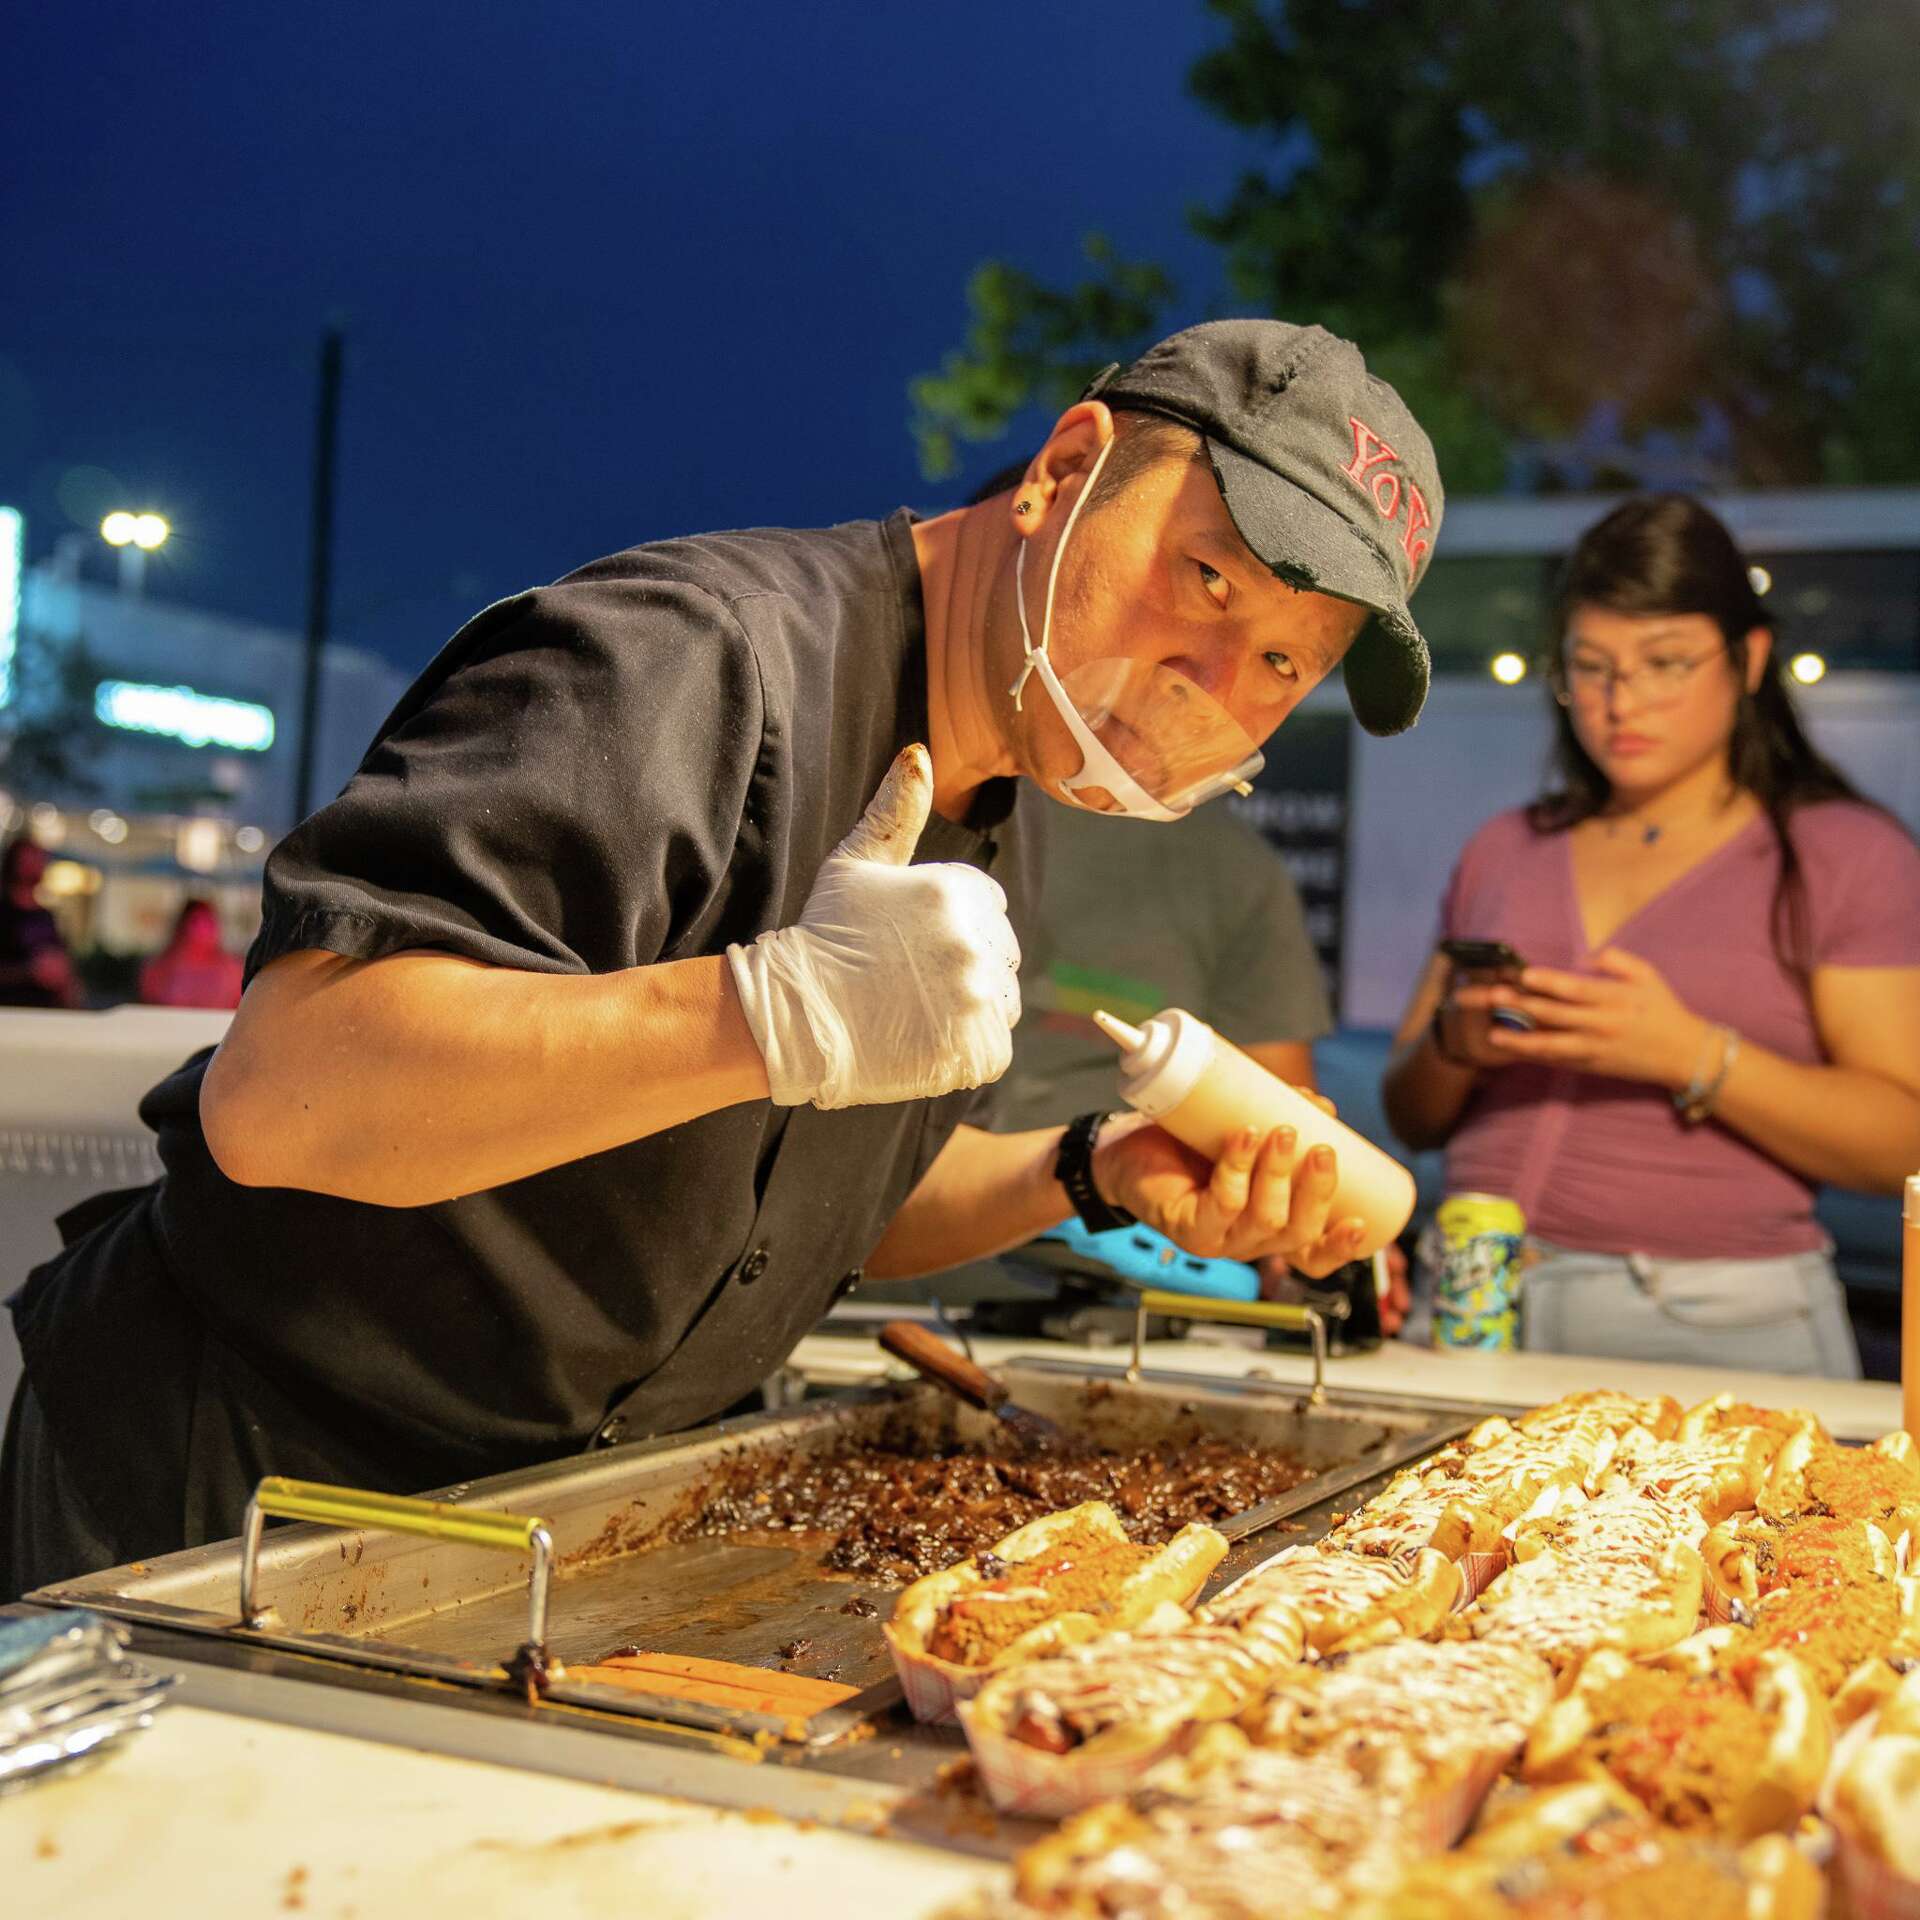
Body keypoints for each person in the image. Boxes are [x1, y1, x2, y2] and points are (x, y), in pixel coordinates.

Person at [2, 319, 1445, 1595]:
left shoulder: (1010, 779)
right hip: (241, 1469)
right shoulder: (691, 657)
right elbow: (282, 1092)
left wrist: (1085, 1169)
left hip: (554, 1519)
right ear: (1063, 474)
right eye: (1204, 577)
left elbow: (808, 1208)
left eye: (1284, 664)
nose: (1216, 682)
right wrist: (767, 1009)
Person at [1381, 494, 1920, 1376]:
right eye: (1589, 667)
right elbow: (1413, 1114)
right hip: (1473, 1295)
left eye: (1664, 662)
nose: (1619, 702)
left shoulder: (1842, 853)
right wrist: (1455, 1044)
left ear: (1747, 659)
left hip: (1707, 1322)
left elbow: (1905, 1139)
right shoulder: (1510, 847)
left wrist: (1692, 1053)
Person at [0, 835, 83, 1010]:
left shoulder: (46, 915)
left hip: (45, 1011)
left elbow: (62, 960)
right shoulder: (5, 912)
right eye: (32, 858)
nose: (39, 864)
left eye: (40, 858)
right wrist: (30, 971)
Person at [138, 897, 244, 1011]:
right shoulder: (158, 968)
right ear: (182, 926)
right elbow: (150, 1006)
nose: (203, 930)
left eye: (208, 923)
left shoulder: (233, 970)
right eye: (196, 922)